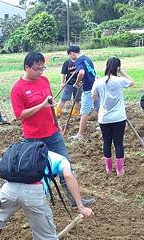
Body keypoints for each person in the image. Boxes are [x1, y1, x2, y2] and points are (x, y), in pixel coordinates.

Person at [10, 51, 95, 207]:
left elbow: (50, 105)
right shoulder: (18, 89)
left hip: (52, 133)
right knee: (37, 171)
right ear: (26, 67)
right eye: (37, 68)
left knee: (65, 166)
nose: (40, 71)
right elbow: (19, 115)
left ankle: (75, 201)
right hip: (33, 137)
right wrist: (41, 105)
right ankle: (37, 202)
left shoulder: (44, 81)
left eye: (43, 68)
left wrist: (57, 124)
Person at [92, 57, 134, 176]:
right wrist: (122, 72)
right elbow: (132, 82)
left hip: (104, 118)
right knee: (118, 142)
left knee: (106, 142)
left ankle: (109, 169)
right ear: (117, 67)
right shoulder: (119, 80)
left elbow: (94, 98)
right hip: (119, 118)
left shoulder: (98, 82)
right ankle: (120, 171)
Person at [69, 46, 99, 140]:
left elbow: (81, 73)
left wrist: (77, 83)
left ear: (72, 53)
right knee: (99, 107)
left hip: (88, 88)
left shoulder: (78, 61)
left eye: (70, 56)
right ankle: (102, 125)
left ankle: (80, 134)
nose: (71, 58)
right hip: (96, 85)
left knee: (84, 112)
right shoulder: (87, 58)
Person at [56, 51, 81, 117]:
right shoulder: (67, 63)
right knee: (63, 98)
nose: (75, 55)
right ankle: (58, 111)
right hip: (68, 84)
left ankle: (75, 113)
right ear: (70, 54)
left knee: (77, 99)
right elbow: (63, 74)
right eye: (72, 54)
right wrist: (62, 82)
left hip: (78, 84)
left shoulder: (80, 62)